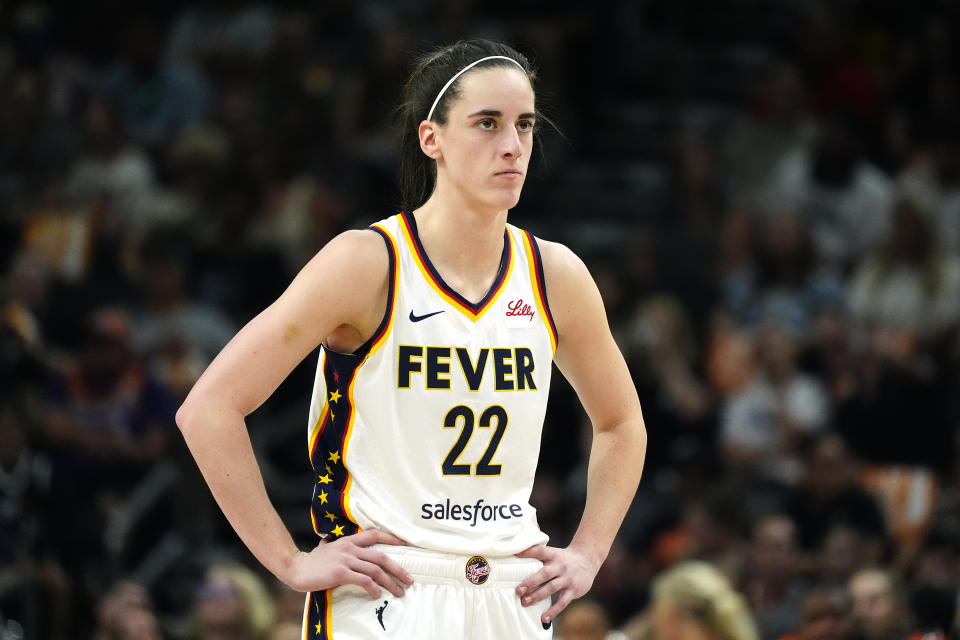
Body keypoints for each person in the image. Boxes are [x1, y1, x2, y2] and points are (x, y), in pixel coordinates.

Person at [176, 39, 647, 639]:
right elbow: (209, 408)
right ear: (433, 139)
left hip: (512, 590)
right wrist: (290, 562)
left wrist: (587, 553)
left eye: (525, 125)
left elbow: (622, 423)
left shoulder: (555, 275)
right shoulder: (366, 263)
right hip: (389, 590)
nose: (513, 145)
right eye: (487, 123)